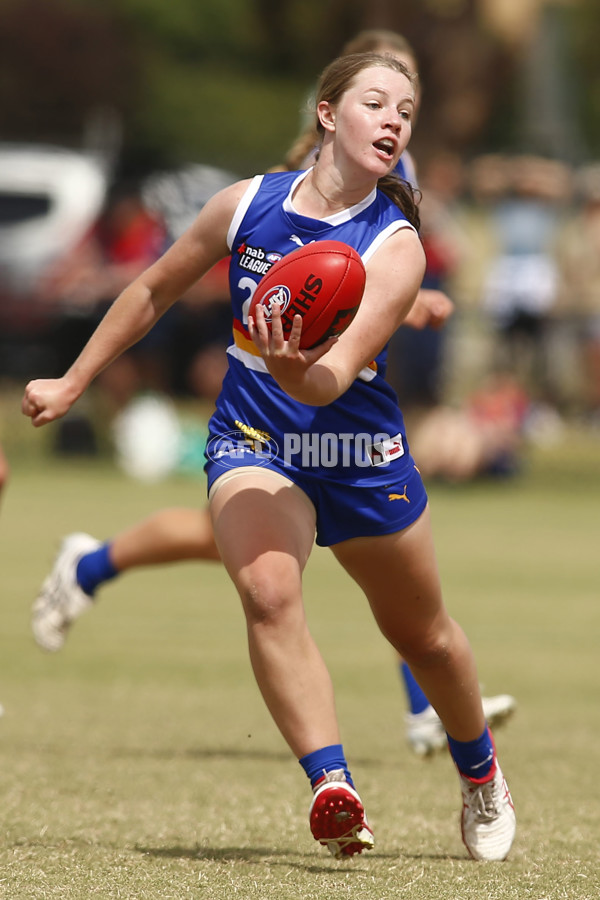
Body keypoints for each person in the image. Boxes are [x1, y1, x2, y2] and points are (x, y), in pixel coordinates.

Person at [23, 51, 516, 861]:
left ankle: (480, 772)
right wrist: (75, 381)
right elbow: (151, 290)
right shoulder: (246, 204)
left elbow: (326, 381)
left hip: (356, 446)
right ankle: (333, 786)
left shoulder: (395, 247)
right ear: (327, 115)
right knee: (267, 591)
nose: (395, 120)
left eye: (407, 111)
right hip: (257, 438)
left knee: (423, 635)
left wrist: (292, 365)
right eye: (377, 103)